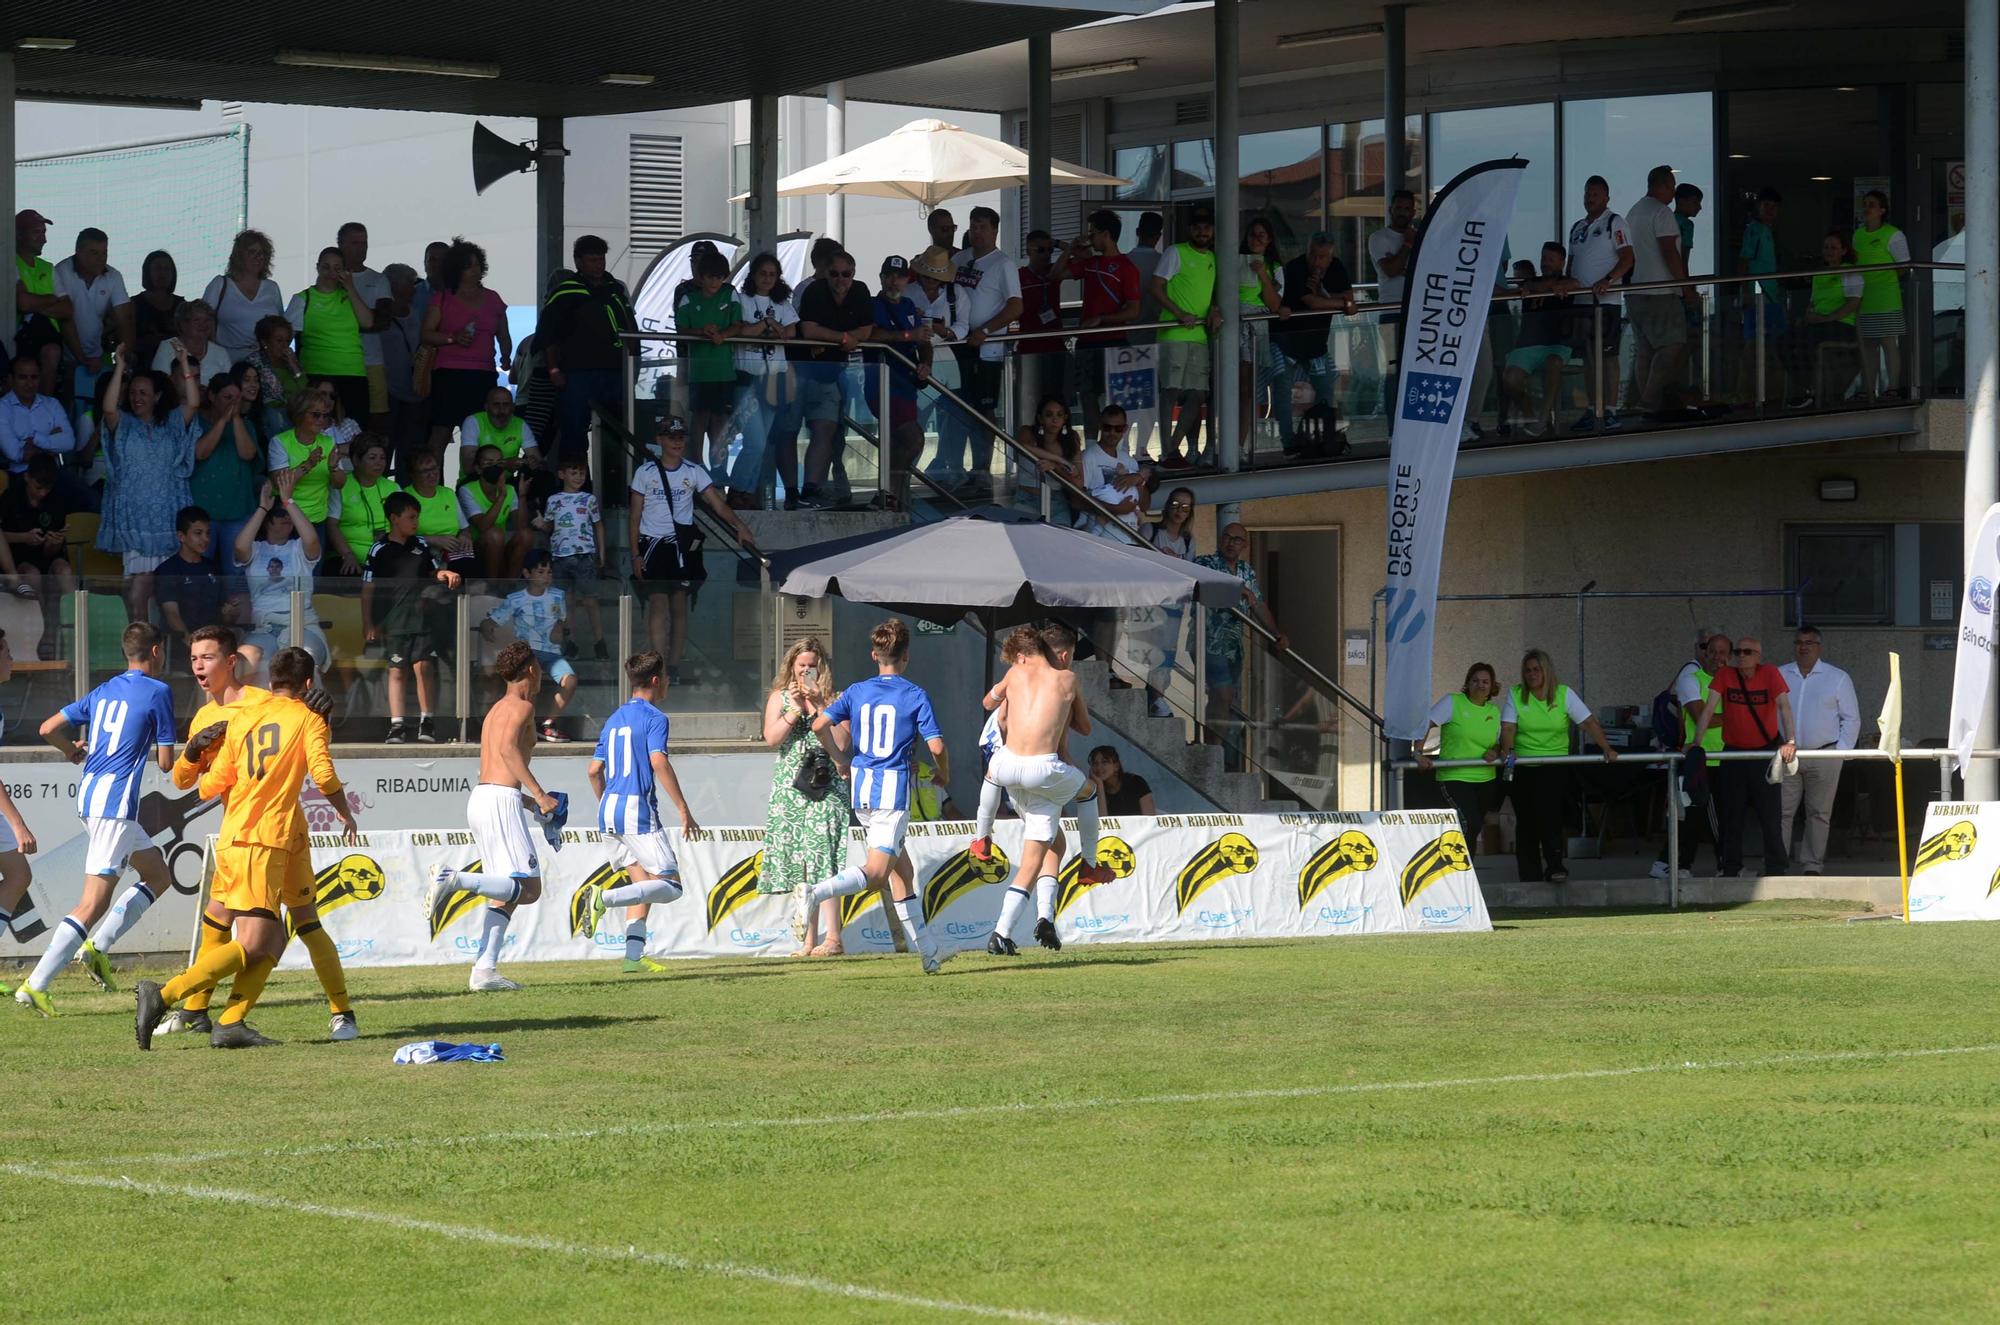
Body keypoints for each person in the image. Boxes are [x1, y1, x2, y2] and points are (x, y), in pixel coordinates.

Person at [134, 644, 361, 1048]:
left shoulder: (242, 719)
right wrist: (345, 811)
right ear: (309, 683)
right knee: (257, 941)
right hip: (264, 838)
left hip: (262, 833)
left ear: (269, 682)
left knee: (295, 926)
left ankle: (238, 1020)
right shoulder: (308, 717)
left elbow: (208, 785)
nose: (199, 666)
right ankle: (167, 995)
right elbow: (323, 774)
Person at [15, 622, 178, 1017]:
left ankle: (97, 948)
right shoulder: (159, 691)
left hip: (91, 795)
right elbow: (167, 761)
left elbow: (48, 728)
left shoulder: (105, 690)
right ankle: (35, 986)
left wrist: (73, 751)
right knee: (93, 902)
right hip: (115, 805)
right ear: (156, 651)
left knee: (158, 875)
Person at [803, 619, 952, 973]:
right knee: (877, 874)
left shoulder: (856, 691)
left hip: (863, 789)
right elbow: (937, 745)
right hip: (891, 790)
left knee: (904, 871)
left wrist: (842, 760)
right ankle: (814, 893)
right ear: (907, 657)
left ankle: (928, 953)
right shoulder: (914, 694)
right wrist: (943, 772)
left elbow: (818, 725)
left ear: (875, 655)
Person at [423, 641, 561, 992]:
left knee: (505, 892)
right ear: (530, 670)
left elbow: (498, 766)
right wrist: (541, 794)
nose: (543, 673)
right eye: (540, 667)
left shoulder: (497, 708)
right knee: (529, 890)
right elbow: (507, 751)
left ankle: (484, 970)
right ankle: (453, 879)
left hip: (486, 796)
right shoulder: (522, 707)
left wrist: (529, 803)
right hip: (498, 800)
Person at [975, 625, 1113, 956]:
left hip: (1007, 767)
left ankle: (1038, 918)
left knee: (1055, 844)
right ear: (1064, 654)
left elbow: (991, 706)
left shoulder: (1015, 673)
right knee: (1090, 792)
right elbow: (1085, 726)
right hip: (1044, 771)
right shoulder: (1067, 680)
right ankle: (1090, 864)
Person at [582, 650, 695, 973]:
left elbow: (593, 770)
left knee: (642, 883)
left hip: (608, 810)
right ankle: (603, 898)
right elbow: (658, 761)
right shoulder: (655, 718)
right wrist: (683, 809)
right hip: (636, 809)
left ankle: (633, 958)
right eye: (667, 677)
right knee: (671, 886)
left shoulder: (614, 718)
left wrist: (607, 804)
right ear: (657, 681)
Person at [630, 416, 756, 680]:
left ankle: (673, 667)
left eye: (681, 437)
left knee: (679, 606)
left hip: (682, 549)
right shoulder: (645, 473)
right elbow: (634, 515)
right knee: (657, 604)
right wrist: (635, 554)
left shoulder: (693, 470)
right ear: (660, 440)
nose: (677, 442)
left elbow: (716, 503)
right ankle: (658, 666)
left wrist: (739, 526)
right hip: (652, 545)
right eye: (671, 437)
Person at [761, 637, 852, 957]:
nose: (806, 672)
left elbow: (842, 743)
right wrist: (794, 710)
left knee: (824, 859)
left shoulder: (837, 699)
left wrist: (818, 707)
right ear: (791, 667)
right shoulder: (779, 697)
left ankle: (834, 939)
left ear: (821, 668)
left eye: (812, 666)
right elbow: (771, 738)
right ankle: (808, 941)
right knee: (802, 865)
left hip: (825, 785)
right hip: (791, 787)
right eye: (801, 666)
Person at [98, 343, 200, 623]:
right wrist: (119, 366)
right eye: (132, 393)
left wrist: (184, 362)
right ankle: (138, 652)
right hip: (136, 519)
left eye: (143, 393)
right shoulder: (124, 424)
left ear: (157, 396)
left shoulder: (172, 423)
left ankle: (167, 655)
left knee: (167, 593)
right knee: (139, 591)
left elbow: (193, 403)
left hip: (166, 518)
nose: (136, 397)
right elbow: (108, 408)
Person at [1498, 648, 1618, 885]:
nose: (1532, 674)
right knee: (1527, 821)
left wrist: (1607, 748)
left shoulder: (1563, 694)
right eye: (1528, 670)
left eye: (1536, 669)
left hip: (1554, 765)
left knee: (1550, 816)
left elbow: (1588, 722)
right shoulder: (1516, 694)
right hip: (1523, 766)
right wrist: (1508, 753)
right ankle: (1528, 873)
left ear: (1546, 671)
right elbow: (1508, 729)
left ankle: (1555, 867)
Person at [1689, 636, 1797, 878]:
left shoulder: (1769, 673)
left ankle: (1776, 868)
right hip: (1734, 753)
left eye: (1747, 652)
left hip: (1764, 753)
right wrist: (1696, 743)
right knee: (1731, 815)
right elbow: (1708, 710)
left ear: (1758, 656)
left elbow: (1784, 707)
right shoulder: (1726, 675)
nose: (1741, 656)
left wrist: (1790, 741)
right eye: (1737, 652)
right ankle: (1730, 867)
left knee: (1770, 816)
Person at [363, 490, 463, 745]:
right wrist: (369, 623)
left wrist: (444, 574)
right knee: (397, 671)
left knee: (424, 667)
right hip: (393, 621)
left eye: (417, 517)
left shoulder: (420, 544)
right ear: (394, 518)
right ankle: (396, 725)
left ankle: (427, 720)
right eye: (411, 517)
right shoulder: (379, 549)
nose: (415, 522)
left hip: (421, 617)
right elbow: (368, 588)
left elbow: (431, 571)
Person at [943, 206, 1023, 499]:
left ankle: (982, 469)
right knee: (958, 407)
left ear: (994, 231)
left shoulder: (1003, 264)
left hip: (987, 349)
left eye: (982, 227)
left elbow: (1016, 306)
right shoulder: (959, 259)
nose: (976, 232)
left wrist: (986, 331)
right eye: (973, 226)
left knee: (984, 411)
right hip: (957, 345)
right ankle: (957, 468)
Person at [540, 235, 636, 460]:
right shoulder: (564, 292)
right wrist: (554, 369)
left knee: (617, 431)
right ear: (578, 262)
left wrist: (633, 365)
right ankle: (575, 490)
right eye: (592, 260)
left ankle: (615, 487)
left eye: (601, 259)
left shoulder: (616, 290)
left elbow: (632, 329)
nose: (598, 265)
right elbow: (549, 335)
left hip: (615, 371)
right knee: (574, 432)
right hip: (577, 373)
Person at [1194, 523, 1286, 755]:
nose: (1231, 542)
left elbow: (1259, 605)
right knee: (1222, 694)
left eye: (1237, 539)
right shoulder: (1206, 564)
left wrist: (1275, 633)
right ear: (1220, 540)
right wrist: (1234, 591)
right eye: (1227, 537)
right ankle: (1212, 750)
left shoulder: (1247, 571)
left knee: (1223, 699)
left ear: (1244, 545)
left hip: (1233, 648)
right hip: (1207, 642)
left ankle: (1214, 750)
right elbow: (1201, 588)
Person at [792, 249, 874, 507]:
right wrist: (843, 339)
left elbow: (867, 330)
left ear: (854, 274)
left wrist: (832, 339)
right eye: (835, 274)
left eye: (846, 274)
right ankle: (788, 493)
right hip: (799, 372)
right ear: (826, 273)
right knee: (786, 434)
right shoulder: (815, 291)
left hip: (831, 374)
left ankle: (811, 489)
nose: (841, 279)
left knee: (826, 430)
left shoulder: (859, 291)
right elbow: (808, 329)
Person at [1777, 626, 1859, 877]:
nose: (1803, 647)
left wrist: (1840, 753)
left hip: (1824, 755)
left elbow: (1851, 719)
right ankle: (1778, 862)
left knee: (1819, 813)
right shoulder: (1781, 674)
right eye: (1799, 642)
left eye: (1809, 642)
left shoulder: (1837, 678)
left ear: (1819, 647)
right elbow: (1772, 713)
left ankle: (1812, 864)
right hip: (1788, 754)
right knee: (1783, 811)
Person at [1651, 628, 1730, 880]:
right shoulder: (1690, 678)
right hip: (1697, 759)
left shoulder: (1732, 680)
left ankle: (1719, 865)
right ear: (1703, 653)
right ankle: (1675, 865)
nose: (1717, 657)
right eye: (1712, 651)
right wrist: (1738, 717)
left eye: (1723, 653)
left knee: (1718, 817)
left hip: (1726, 758)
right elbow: (1699, 717)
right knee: (1690, 816)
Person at [235, 470, 329, 675]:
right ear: (267, 521)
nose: (286, 517)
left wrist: (288, 501)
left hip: (302, 624)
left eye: (287, 514)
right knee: (246, 661)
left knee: (304, 659)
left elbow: (312, 541)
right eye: (279, 514)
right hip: (264, 626)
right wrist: (262, 508)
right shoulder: (256, 549)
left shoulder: (298, 547)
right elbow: (240, 548)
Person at [422, 237, 510, 454]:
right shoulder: (443, 298)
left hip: (483, 374)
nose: (475, 270)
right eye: (468, 266)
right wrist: (452, 338)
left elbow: (503, 334)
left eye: (478, 265)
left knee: (480, 437)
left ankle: (473, 484)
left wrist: (506, 356)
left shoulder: (493, 298)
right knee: (439, 435)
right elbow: (426, 334)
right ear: (456, 269)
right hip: (448, 375)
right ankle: (433, 485)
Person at [725, 252, 799, 508]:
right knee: (755, 441)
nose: (767, 279)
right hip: (747, 378)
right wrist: (768, 325)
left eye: (772, 274)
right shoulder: (741, 298)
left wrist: (768, 329)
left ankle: (747, 492)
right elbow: (741, 330)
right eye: (762, 273)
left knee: (764, 441)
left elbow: (789, 333)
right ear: (753, 275)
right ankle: (736, 490)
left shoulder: (783, 303)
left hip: (773, 380)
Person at [1561, 176, 1634, 431]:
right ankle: (1593, 408)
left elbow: (1627, 258)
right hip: (1581, 301)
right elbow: (1571, 263)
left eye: (1594, 194)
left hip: (1606, 302)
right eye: (1586, 193)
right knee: (1589, 358)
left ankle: (1611, 409)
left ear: (1606, 197)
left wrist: (1608, 280)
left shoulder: (1615, 222)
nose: (1589, 198)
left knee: (1608, 356)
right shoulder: (1577, 226)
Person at [1151, 203, 1221, 468]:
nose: (1203, 231)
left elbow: (1213, 294)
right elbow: (1155, 287)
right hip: (1173, 333)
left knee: (1198, 394)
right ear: (1191, 229)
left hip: (1200, 335)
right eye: (1198, 226)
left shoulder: (1214, 258)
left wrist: (1214, 310)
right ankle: (1169, 450)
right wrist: (1179, 313)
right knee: (1170, 391)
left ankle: (1172, 447)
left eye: (1207, 226)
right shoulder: (1175, 252)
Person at [1624, 165, 1695, 419]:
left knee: (1645, 349)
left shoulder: (1633, 212)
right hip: (1660, 291)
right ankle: (1649, 400)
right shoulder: (1661, 213)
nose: (1674, 192)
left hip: (1635, 290)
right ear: (1663, 185)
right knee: (1672, 345)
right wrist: (1686, 288)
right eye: (1672, 186)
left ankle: (1649, 407)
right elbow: (1669, 251)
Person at [484, 551, 578, 742]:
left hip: (551, 652)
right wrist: (488, 631)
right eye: (541, 571)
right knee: (530, 685)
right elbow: (492, 621)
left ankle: (548, 723)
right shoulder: (515, 599)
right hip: (527, 653)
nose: (546, 576)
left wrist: (562, 632)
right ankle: (524, 728)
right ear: (527, 574)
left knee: (571, 681)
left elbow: (563, 622)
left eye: (550, 572)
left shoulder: (558, 596)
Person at [1274, 232, 1354, 456]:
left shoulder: (1337, 268)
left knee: (1327, 386)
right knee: (1282, 389)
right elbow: (1312, 302)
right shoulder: (1296, 268)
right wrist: (1339, 302)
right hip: (1286, 340)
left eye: (1322, 257)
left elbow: (1352, 301)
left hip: (1316, 343)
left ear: (1331, 256)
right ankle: (1289, 443)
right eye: (1313, 255)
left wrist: (1328, 296)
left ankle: (1323, 438)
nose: (1316, 262)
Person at [676, 247, 749, 483]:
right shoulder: (688, 296)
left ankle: (718, 468)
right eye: (710, 276)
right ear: (701, 276)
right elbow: (681, 329)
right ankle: (695, 465)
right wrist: (702, 331)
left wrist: (724, 335)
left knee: (720, 422)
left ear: (725, 276)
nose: (714, 281)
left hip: (724, 371)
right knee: (699, 420)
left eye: (719, 277)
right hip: (699, 370)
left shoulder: (730, 294)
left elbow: (738, 324)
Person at [865, 254, 933, 509]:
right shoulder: (872, 304)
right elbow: (872, 335)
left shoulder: (909, 306)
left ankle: (895, 499)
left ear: (907, 279)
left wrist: (926, 364)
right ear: (881, 278)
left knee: (900, 443)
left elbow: (925, 341)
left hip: (906, 386)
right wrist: (907, 335)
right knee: (913, 439)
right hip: (882, 385)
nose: (895, 281)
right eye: (889, 275)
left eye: (900, 276)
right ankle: (887, 493)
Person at [53, 226, 132, 442]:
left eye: (104, 253)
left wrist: (128, 356)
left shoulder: (113, 275)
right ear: (78, 251)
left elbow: (125, 317)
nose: (101, 259)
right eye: (94, 253)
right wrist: (81, 358)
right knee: (71, 408)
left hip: (96, 357)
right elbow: (65, 318)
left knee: (98, 407)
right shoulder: (60, 271)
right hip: (66, 357)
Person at [1070, 210, 1143, 435]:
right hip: (1086, 341)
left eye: (1092, 233)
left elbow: (1133, 310)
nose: (1089, 238)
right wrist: (1072, 251)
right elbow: (1055, 274)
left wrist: (1102, 319)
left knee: (1115, 400)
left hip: (1114, 341)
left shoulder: (1127, 267)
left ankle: (1118, 449)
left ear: (1106, 234)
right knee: (1087, 396)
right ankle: (1092, 445)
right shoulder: (1091, 262)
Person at [1416, 662, 1503, 848]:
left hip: (1486, 779)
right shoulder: (1452, 702)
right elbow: (1425, 724)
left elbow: (1498, 742)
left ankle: (1466, 873)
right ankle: (1459, 870)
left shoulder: (1494, 711)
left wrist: (1495, 751)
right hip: (1455, 777)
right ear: (1467, 683)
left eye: (1485, 681)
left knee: (1473, 829)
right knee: (1470, 824)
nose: (1480, 685)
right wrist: (1418, 753)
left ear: (1492, 686)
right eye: (1475, 680)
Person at [1, 455, 80, 658]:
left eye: (47, 489)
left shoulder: (57, 500)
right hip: (19, 560)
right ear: (27, 477)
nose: (42, 493)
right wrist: (24, 538)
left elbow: (50, 553)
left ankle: (77, 633)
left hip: (46, 558)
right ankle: (42, 634)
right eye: (38, 488)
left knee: (64, 570)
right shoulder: (10, 497)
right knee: (33, 575)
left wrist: (53, 542)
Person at [284, 246, 373, 422]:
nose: (331, 272)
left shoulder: (350, 297)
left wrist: (350, 287)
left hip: (353, 373)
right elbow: (285, 339)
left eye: (337, 268)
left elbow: (368, 322)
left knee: (355, 428)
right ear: (317, 268)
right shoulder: (303, 298)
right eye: (326, 267)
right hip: (316, 374)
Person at [1499, 243, 1574, 437]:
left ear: (1562, 262)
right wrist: (1549, 286)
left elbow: (1575, 284)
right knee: (1509, 379)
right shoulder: (1530, 283)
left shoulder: (1570, 282)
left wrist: (1553, 286)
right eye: (1543, 259)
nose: (1546, 263)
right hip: (1527, 345)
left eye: (1551, 260)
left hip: (1556, 345)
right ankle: (1530, 414)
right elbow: (1531, 286)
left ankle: (1542, 419)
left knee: (1554, 362)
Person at [1784, 231, 1865, 410]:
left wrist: (1828, 318)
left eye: (1834, 247)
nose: (1829, 251)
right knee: (1784, 340)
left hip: (1843, 325)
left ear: (1843, 251)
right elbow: (1812, 303)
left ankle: (1815, 392)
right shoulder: (1819, 273)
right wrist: (1808, 316)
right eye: (1826, 247)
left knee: (1809, 341)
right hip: (1819, 324)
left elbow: (1853, 303)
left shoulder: (1850, 272)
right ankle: (1807, 387)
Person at [536, 453, 607, 657]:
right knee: (566, 602)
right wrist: (541, 524)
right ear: (562, 474)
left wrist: (601, 551)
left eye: (582, 473)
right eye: (573, 473)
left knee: (590, 600)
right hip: (559, 556)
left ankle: (599, 641)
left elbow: (598, 524)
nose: (578, 477)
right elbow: (550, 526)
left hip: (584, 555)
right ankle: (570, 642)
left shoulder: (589, 499)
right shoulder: (554, 500)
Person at [190, 369, 265, 562]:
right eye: (227, 397)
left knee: (235, 570)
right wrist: (223, 420)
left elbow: (247, 454)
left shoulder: (245, 425)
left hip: (237, 509)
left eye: (237, 398)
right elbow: (200, 453)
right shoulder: (196, 421)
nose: (233, 403)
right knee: (198, 568)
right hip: (202, 511)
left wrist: (236, 418)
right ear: (212, 396)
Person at [1143, 484, 1198, 718]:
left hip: (1174, 603)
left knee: (1166, 654)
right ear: (1167, 507)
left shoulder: (1187, 540)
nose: (1179, 511)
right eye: (1175, 505)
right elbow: (1139, 560)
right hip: (1149, 600)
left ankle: (1157, 697)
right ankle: (1153, 697)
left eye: (1185, 507)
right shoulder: (1151, 530)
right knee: (1149, 651)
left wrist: (1176, 560)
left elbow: (1190, 570)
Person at [1236, 216, 1289, 451]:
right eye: (1252, 235)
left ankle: (1240, 443)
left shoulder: (1274, 267)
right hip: (1232, 324)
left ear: (1269, 240)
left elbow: (1276, 305)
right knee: (1228, 386)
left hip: (1255, 328)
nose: (1256, 240)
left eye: (1261, 235)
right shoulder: (1234, 261)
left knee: (1246, 389)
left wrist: (1262, 275)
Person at [265, 388, 345, 543]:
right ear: (299, 414)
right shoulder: (280, 442)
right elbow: (279, 483)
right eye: (315, 414)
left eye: (325, 415)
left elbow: (339, 484)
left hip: (317, 521)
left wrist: (333, 468)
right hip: (286, 520)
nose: (321, 419)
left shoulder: (328, 442)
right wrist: (307, 465)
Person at [334, 222, 394, 430]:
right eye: (354, 243)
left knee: (375, 423)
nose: (361, 248)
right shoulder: (330, 278)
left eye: (364, 243)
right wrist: (364, 316)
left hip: (371, 362)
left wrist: (341, 322)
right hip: (337, 363)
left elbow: (382, 321)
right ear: (340, 244)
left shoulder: (379, 280)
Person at [1852, 190, 1910, 400]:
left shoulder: (1893, 234)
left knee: (1888, 342)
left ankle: (1893, 387)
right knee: (1868, 345)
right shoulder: (1857, 234)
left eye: (1872, 204)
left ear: (1882, 210)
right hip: (1863, 298)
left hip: (1886, 298)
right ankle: (1868, 388)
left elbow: (1904, 266)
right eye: (1865, 203)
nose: (1867, 208)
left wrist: (1883, 279)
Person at [153, 506, 231, 651]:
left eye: (208, 533)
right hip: (181, 647)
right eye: (198, 533)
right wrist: (194, 646)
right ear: (181, 536)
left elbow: (225, 615)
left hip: (215, 645)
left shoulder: (214, 568)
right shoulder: (167, 570)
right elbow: (172, 614)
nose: (205, 539)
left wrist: (230, 613)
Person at [200, 228, 284, 359]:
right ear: (239, 256)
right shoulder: (220, 284)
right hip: (227, 360)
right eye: (252, 252)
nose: (258, 257)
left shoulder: (272, 288)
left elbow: (280, 326)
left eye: (262, 253)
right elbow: (202, 322)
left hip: (265, 361)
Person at [1737, 186, 1785, 407]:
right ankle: (1748, 395)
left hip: (1772, 294)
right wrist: (1746, 291)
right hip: (1758, 293)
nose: (1770, 210)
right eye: (1766, 206)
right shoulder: (1754, 230)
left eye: (1774, 207)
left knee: (1773, 346)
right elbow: (1744, 262)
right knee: (1753, 346)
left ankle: (1772, 393)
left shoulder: (1769, 231)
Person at [458, 440, 533, 581]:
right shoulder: (467, 490)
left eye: (499, 463)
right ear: (478, 469)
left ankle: (510, 586)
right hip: (477, 549)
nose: (495, 467)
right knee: (494, 533)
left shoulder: (510, 489)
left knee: (526, 535)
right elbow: (483, 526)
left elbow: (521, 527)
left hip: (500, 546)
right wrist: (501, 497)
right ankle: (493, 585)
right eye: (488, 463)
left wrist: (522, 496)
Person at [326, 433, 399, 576]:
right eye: (372, 458)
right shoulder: (341, 486)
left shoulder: (393, 488)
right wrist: (347, 555)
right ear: (356, 460)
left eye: (382, 458)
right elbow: (331, 525)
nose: (379, 463)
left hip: (386, 557)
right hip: (351, 559)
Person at [379, 263, 427, 469]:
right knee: (384, 447)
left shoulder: (416, 314)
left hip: (415, 393)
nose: (414, 288)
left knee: (411, 453)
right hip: (387, 394)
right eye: (410, 283)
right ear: (394, 286)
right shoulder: (379, 317)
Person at [1016, 229, 1068, 417]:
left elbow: (1081, 256)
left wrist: (1057, 243)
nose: (1046, 255)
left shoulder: (1054, 272)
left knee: (1056, 400)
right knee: (1030, 402)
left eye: (1049, 250)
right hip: (1029, 348)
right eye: (1040, 250)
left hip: (1055, 346)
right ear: (1028, 251)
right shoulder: (1019, 276)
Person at [0, 351, 78, 475]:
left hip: (54, 474)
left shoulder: (52, 404)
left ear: (40, 378)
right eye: (22, 377)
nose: (29, 384)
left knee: (87, 494)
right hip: (21, 476)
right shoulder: (2, 408)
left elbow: (69, 442)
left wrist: (34, 440)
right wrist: (51, 443)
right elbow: (14, 454)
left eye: (34, 377)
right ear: (10, 379)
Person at [1368, 189, 1418, 373]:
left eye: (1407, 208)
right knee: (1393, 369)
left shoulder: (1421, 237)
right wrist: (1407, 245)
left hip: (1417, 311)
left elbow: (1423, 271)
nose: (1402, 212)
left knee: (1415, 367)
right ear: (1390, 210)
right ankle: (1391, 403)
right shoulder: (1378, 238)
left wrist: (1401, 267)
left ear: (1413, 212)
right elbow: (1390, 270)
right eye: (1398, 208)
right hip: (1390, 310)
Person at [1013, 393, 1082, 526]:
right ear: (1040, 418)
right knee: (1026, 543)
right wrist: (1060, 460)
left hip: (1057, 500)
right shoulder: (1027, 432)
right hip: (1027, 498)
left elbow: (1078, 482)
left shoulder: (1071, 438)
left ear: (1065, 418)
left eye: (1059, 415)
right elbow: (1023, 446)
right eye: (1049, 415)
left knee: (1061, 544)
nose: (1055, 420)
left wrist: (1055, 467)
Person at [458, 383, 542, 484]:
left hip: (506, 483)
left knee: (544, 477)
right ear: (486, 407)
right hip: (476, 481)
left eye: (506, 405)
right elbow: (468, 467)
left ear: (513, 407)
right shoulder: (473, 421)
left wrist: (531, 463)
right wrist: (505, 464)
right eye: (496, 404)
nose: (501, 410)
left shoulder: (520, 424)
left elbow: (539, 461)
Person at [403, 448, 473, 565]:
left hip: (452, 551)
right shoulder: (405, 497)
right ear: (412, 474)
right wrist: (434, 540)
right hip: (421, 552)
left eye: (434, 468)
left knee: (476, 578)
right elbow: (401, 536)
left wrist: (464, 536)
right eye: (425, 471)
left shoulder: (448, 493)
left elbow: (464, 529)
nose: (432, 474)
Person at [245, 313, 308, 439]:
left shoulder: (292, 362)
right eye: (279, 340)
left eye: (287, 341)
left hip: (295, 412)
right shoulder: (254, 362)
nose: (284, 345)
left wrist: (294, 365)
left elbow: (306, 391)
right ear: (264, 342)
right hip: (269, 415)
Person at [128, 249, 183, 378]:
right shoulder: (134, 303)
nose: (162, 273)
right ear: (148, 272)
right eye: (157, 268)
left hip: (175, 368)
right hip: (142, 368)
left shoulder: (182, 305)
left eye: (167, 269)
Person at [1091, 745, 1155, 817]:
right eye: (1095, 763)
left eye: (1104, 762)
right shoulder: (1093, 791)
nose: (1099, 767)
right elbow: (1103, 823)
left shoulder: (1136, 782)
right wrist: (1100, 786)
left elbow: (1150, 819)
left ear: (1116, 766)